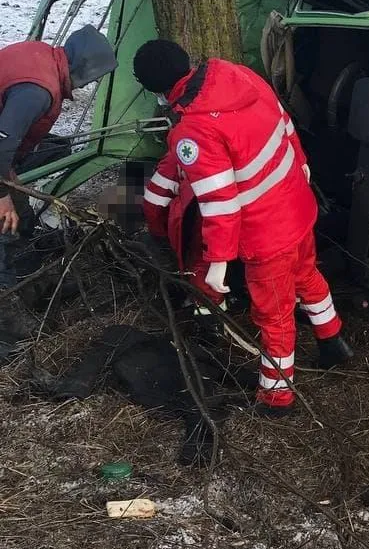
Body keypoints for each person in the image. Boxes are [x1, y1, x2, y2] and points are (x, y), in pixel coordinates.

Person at [133, 39, 352, 417]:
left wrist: (218, 263)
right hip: (297, 207)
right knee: (308, 276)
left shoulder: (194, 133)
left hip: (266, 234)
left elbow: (220, 206)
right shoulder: (236, 75)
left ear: (153, 87)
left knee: (275, 316)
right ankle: (333, 340)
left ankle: (276, 399)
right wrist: (300, 164)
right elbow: (285, 121)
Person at [0, 25, 117, 236]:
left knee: (21, 210)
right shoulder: (38, 91)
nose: (85, 85)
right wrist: (1, 196)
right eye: (91, 78)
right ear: (83, 69)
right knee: (10, 219)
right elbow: (3, 141)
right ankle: (15, 263)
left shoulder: (40, 54)